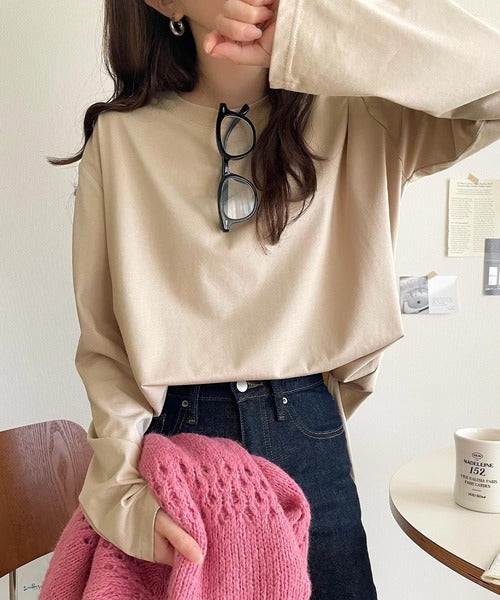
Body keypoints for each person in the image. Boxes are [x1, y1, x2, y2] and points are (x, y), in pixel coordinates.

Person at [49, 0, 500, 598]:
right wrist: (123, 498)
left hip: (310, 436)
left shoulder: (363, 116)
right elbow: (107, 348)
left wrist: (307, 33)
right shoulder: (120, 140)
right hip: (179, 449)